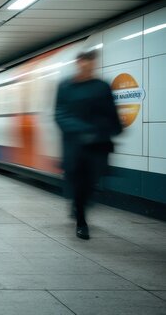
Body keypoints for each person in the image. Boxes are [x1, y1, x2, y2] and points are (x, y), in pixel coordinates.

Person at [54, 49, 122, 240]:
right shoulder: (66, 86)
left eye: (91, 63)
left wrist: (115, 128)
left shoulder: (102, 86)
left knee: (92, 181)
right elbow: (60, 114)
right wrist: (84, 130)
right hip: (75, 144)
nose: (87, 67)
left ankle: (79, 204)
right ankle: (82, 222)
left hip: (98, 144)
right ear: (78, 63)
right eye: (84, 63)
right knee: (79, 181)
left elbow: (111, 111)